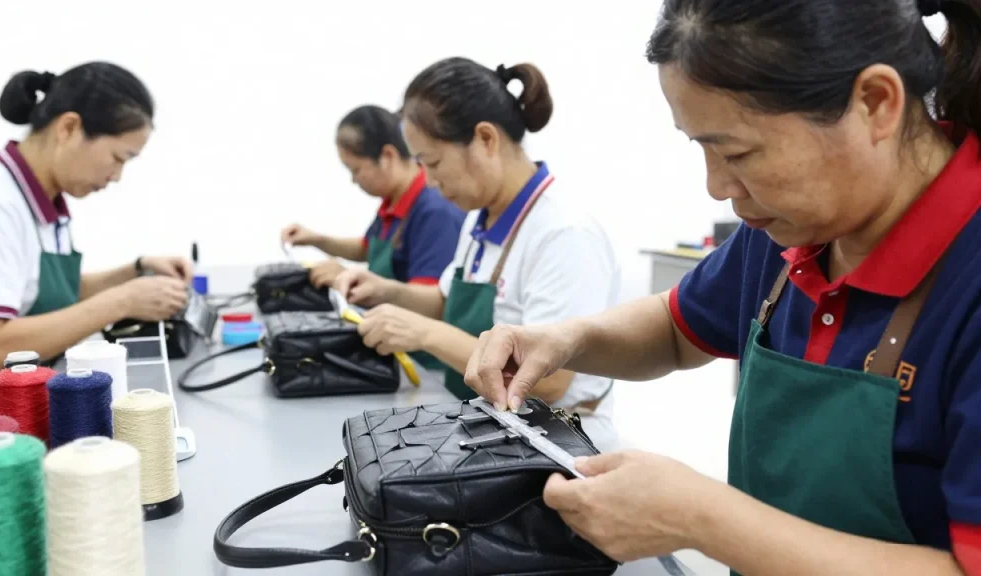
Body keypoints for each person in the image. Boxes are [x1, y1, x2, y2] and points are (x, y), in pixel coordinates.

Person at [463, 0, 981, 574]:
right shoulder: (792, 230)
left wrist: (701, 518)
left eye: (738, 152)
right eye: (700, 147)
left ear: (875, 104)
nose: (715, 186)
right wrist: (566, 338)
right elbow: (677, 328)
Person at [334, 58, 622, 452]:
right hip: (495, 428)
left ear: (486, 139)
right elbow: (446, 300)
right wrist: (384, 290)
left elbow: (549, 381)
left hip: (559, 446)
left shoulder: (563, 233)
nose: (430, 183)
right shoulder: (480, 217)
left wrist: (424, 333)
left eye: (433, 163)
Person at [0, 62, 191, 416]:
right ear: (69, 127)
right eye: (118, 157)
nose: (117, 176)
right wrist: (123, 301)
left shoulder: (43, 202)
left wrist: (135, 270)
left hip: (18, 412)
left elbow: (37, 295)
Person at [279, 105, 464, 292]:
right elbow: (367, 249)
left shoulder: (435, 211)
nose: (353, 180)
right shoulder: (394, 201)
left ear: (387, 156)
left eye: (356, 170)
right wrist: (316, 239)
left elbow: (431, 301)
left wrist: (348, 279)